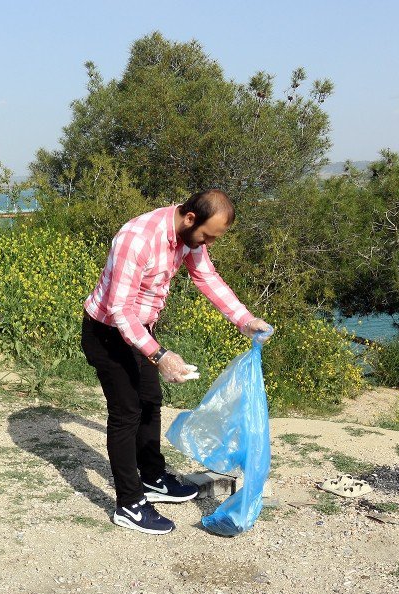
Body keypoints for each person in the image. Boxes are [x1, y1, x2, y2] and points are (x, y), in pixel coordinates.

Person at [81, 189, 272, 535]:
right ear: (189, 218)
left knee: (151, 400)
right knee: (126, 413)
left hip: (140, 331)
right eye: (207, 235)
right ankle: (130, 504)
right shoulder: (136, 239)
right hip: (107, 333)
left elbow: (207, 278)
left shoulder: (188, 238)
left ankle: (152, 477)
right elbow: (119, 309)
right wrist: (159, 354)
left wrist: (245, 320)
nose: (207, 244)